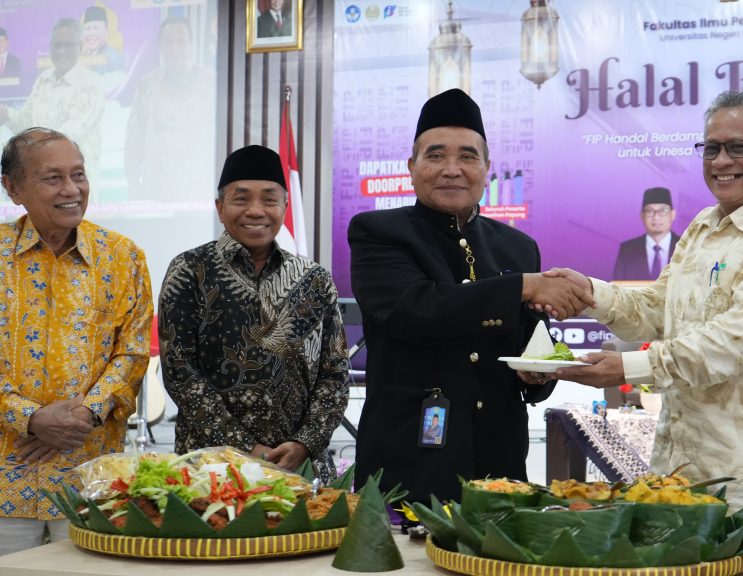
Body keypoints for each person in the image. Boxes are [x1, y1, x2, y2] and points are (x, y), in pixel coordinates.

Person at [549, 89, 743, 509]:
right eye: (712, 148)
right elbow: (658, 308)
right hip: (682, 465)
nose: (721, 161)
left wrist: (628, 368)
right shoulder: (705, 225)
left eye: (739, 147)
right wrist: (590, 294)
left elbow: (732, 343)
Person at [348, 88, 594, 502]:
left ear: (486, 168)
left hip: (498, 457)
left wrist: (538, 374)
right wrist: (524, 285)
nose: (452, 169)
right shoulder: (378, 232)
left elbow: (535, 341)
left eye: (467, 156)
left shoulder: (517, 247)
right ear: (411, 167)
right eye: (435, 156)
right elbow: (418, 310)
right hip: (410, 458)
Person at [0, 127, 153, 555]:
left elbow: (133, 353)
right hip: (6, 480)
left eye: (78, 175)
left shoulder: (122, 256)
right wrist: (30, 419)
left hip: (91, 481)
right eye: (53, 178)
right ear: (12, 188)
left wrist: (84, 413)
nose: (71, 190)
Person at [158, 145, 350, 484]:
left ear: (285, 207)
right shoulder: (190, 270)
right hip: (211, 468)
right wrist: (246, 448)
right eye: (241, 199)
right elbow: (180, 372)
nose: (256, 210)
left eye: (269, 199)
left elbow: (334, 373)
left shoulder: (314, 279)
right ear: (220, 208)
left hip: (299, 468)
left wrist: (304, 443)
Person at [124, 17, 215, 201]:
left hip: (201, 194)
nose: (175, 48)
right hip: (157, 193)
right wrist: (133, 186)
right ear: (160, 48)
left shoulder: (211, 82)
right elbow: (134, 140)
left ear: (191, 46)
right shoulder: (147, 86)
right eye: (168, 43)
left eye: (181, 42)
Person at [0, 19, 103, 174]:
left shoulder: (90, 83)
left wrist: (22, 149)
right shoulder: (43, 80)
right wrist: (6, 114)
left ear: (80, 47)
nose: (61, 51)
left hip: (76, 178)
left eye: (67, 45)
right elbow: (26, 122)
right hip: (43, 175)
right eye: (57, 45)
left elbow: (70, 134)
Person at [612, 186, 681, 280]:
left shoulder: (687, 247)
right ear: (642, 215)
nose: (656, 217)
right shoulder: (627, 250)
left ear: (672, 214)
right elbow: (617, 286)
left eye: (663, 210)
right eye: (649, 211)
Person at [80, 5, 125, 74]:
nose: (91, 33)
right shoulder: (80, 56)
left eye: (96, 28)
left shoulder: (114, 56)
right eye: (87, 29)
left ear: (106, 31)